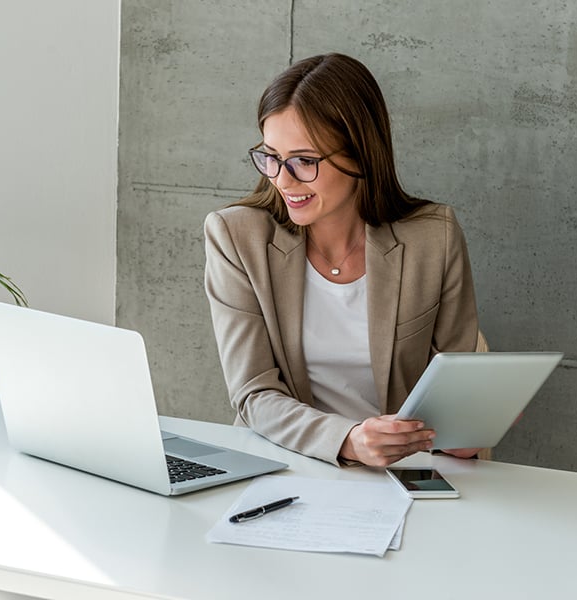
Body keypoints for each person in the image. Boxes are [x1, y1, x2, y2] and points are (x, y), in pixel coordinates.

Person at [203, 53, 482, 467]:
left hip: (402, 473)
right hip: (286, 463)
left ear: (360, 156)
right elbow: (253, 394)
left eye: (304, 161)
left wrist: (464, 430)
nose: (282, 179)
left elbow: (454, 390)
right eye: (271, 156)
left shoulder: (433, 238)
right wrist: (348, 440)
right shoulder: (236, 237)